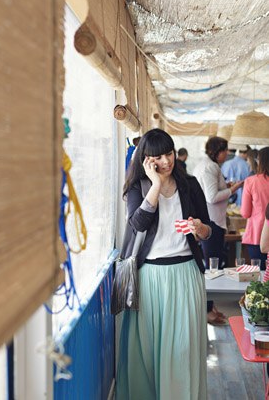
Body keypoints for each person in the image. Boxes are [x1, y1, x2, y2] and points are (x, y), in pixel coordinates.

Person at [116, 128, 211, 400]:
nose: (166, 161)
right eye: (157, 157)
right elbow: (137, 224)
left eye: (169, 153)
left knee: (183, 348)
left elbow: (208, 230)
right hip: (149, 279)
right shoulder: (138, 188)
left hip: (185, 274)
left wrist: (200, 228)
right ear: (145, 160)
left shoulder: (190, 184)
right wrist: (155, 186)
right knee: (146, 351)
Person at [193, 136, 243, 269]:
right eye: (225, 150)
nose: (227, 153)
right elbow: (212, 197)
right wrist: (233, 189)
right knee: (214, 264)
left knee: (212, 261)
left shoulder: (204, 164)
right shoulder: (210, 167)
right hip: (212, 220)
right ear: (218, 151)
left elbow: (208, 190)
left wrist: (225, 185)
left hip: (209, 218)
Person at [241, 147, 269, 270]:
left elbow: (245, 213)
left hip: (256, 234)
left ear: (260, 161)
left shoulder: (251, 181)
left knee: (258, 275)